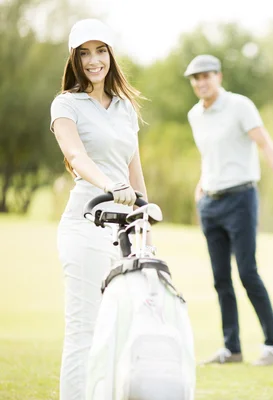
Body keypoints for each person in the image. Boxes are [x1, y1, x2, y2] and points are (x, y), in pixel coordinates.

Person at [49, 18, 151, 399]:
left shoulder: (125, 107)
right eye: (85, 53)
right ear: (74, 59)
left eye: (101, 50)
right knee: (84, 329)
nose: (94, 60)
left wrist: (146, 226)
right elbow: (75, 155)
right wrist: (110, 186)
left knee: (121, 330)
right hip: (85, 226)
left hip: (124, 233)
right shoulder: (65, 104)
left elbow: (135, 172)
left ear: (111, 55)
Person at [184, 54, 273, 366]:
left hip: (241, 200)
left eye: (206, 76)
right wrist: (201, 184)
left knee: (247, 272)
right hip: (210, 203)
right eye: (195, 78)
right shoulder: (194, 115)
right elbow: (210, 155)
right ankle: (232, 349)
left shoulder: (239, 106)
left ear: (219, 76)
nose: (201, 82)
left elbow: (266, 144)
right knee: (220, 279)